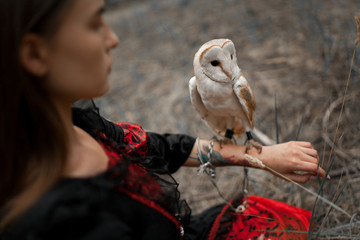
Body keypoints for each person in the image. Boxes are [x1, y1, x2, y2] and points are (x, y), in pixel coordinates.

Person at [0, 0, 326, 239]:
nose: (112, 39)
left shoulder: (78, 124)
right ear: (35, 54)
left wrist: (261, 157)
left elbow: (163, 148)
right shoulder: (63, 221)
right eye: (94, 23)